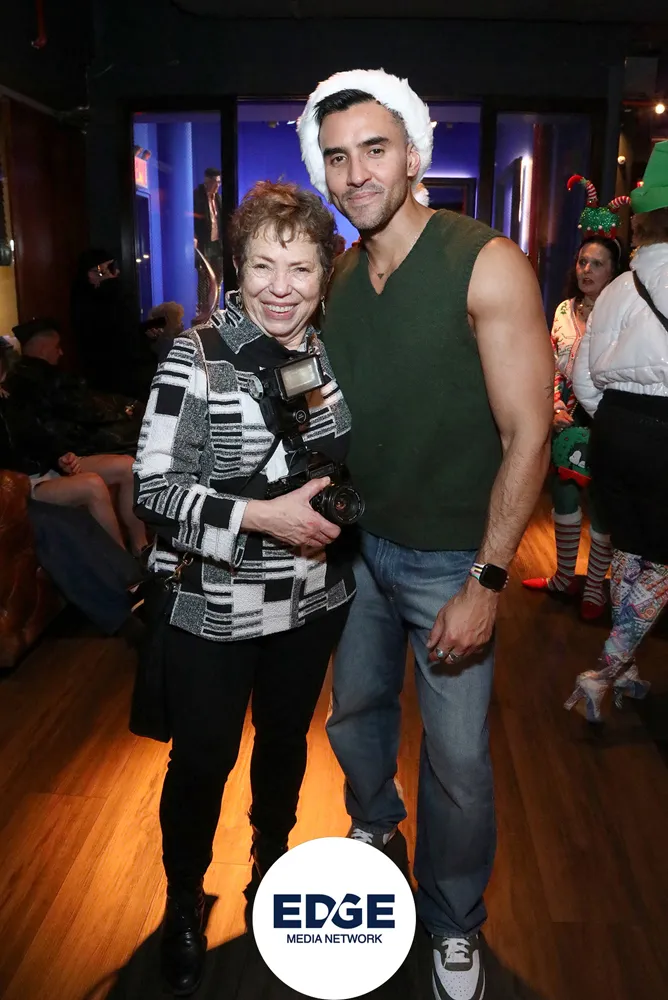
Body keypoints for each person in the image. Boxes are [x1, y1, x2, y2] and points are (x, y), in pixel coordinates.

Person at [297, 70, 553, 1000]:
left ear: (413, 156)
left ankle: (452, 921)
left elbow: (531, 432)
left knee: (459, 764)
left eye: (375, 149)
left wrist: (487, 580)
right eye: (337, 157)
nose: (356, 173)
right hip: (359, 550)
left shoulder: (485, 262)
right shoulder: (339, 277)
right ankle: (376, 824)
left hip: (453, 559)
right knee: (355, 716)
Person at [133, 180, 356, 997]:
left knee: (286, 742)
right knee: (203, 760)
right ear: (238, 266)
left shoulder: (322, 354)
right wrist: (264, 517)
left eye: (300, 268)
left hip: (311, 598)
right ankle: (184, 901)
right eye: (263, 265)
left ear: (324, 274)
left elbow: (331, 455)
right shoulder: (195, 357)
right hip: (216, 603)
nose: (280, 288)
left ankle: (272, 865)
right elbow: (153, 492)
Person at [568, 140, 668, 722]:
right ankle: (604, 669)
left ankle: (625, 671)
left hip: (615, 431)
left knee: (630, 547)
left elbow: (583, 375)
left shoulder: (617, 290)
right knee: (662, 562)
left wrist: (612, 419)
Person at [523, 202, 625, 619]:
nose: (587, 270)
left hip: (610, 419)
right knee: (564, 495)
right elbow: (551, 363)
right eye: (583, 261)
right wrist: (553, 406)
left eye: (597, 264)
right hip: (566, 417)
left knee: (601, 503)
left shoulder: (622, 313)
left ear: (613, 271)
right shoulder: (564, 310)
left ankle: (595, 590)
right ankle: (565, 577)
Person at [5, 319, 147, 555]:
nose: (61, 353)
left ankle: (141, 550)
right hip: (29, 478)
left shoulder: (18, 391)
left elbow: (40, 435)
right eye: (57, 347)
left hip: (55, 461)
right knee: (94, 483)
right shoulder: (27, 384)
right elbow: (79, 412)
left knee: (129, 467)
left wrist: (60, 456)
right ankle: (123, 566)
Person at [193, 167, 224, 314]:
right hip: (203, 243)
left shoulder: (218, 199)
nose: (218, 186)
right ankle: (203, 308)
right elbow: (191, 219)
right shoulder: (196, 197)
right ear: (207, 181)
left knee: (218, 276)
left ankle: (215, 307)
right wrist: (194, 236)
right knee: (204, 277)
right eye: (215, 182)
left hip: (217, 243)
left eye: (219, 182)